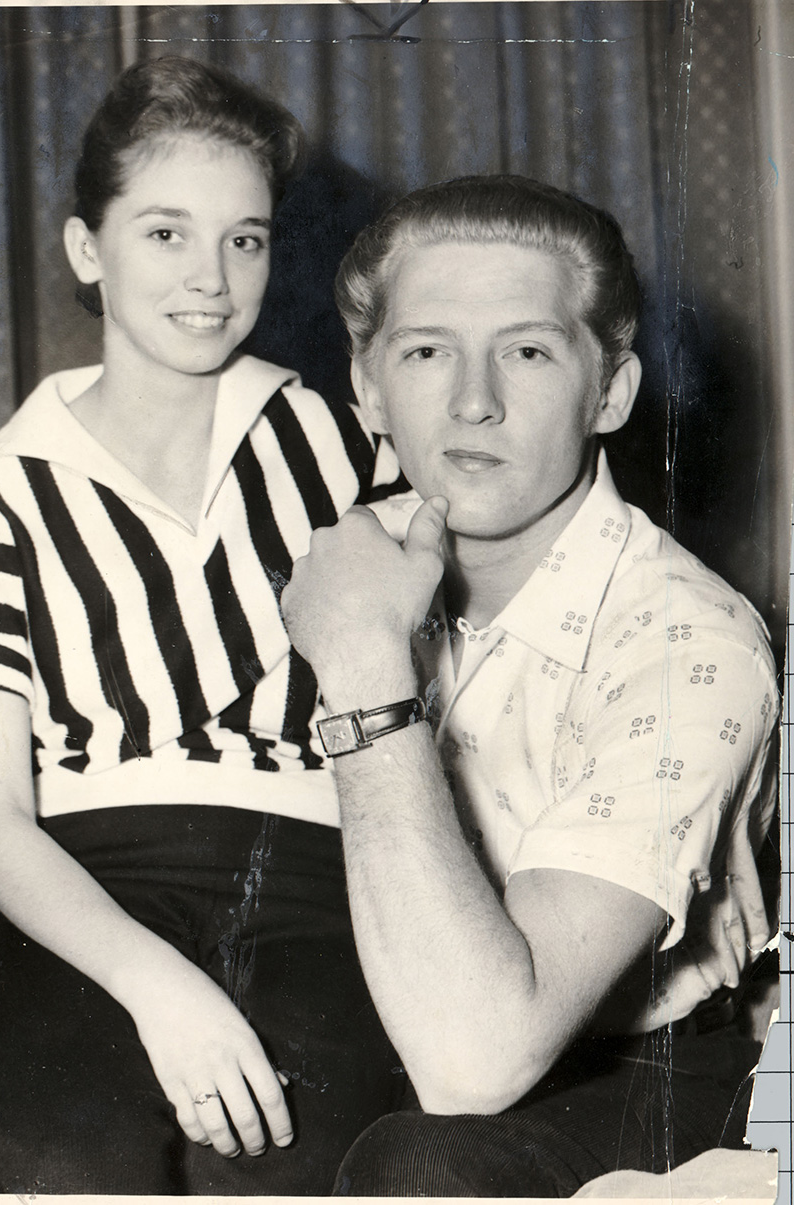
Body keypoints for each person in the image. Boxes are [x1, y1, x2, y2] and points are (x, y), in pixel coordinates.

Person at [0, 57, 405, 1196]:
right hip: (81, 897)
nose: (210, 277)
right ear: (85, 249)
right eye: (164, 233)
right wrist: (165, 989)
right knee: (67, 1158)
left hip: (318, 889)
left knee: (282, 1169)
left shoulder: (339, 445)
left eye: (243, 238)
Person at [280, 175, 780, 1197]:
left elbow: (473, 1059)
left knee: (414, 1168)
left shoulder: (690, 638)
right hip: (382, 1016)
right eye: (426, 351)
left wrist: (368, 673)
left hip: (634, 1071)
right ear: (368, 391)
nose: (474, 398)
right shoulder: (349, 561)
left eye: (527, 349)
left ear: (611, 392)